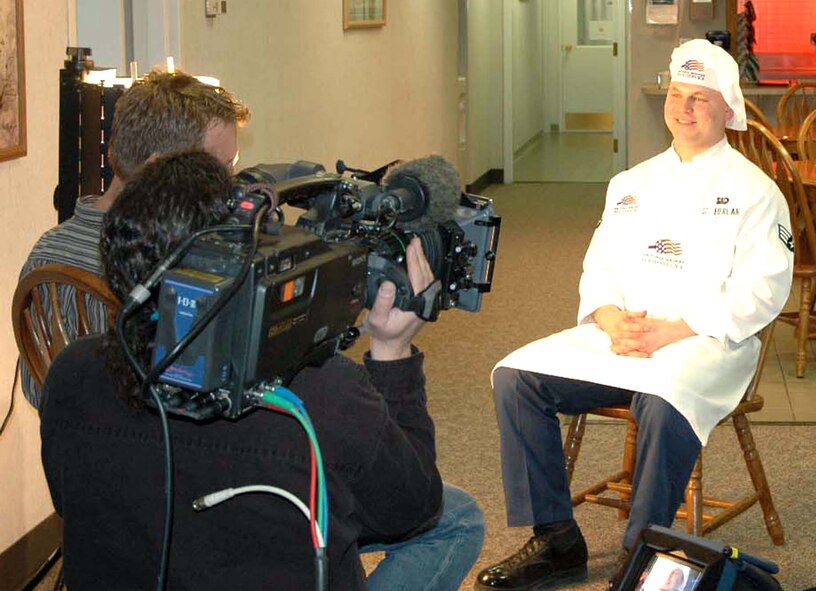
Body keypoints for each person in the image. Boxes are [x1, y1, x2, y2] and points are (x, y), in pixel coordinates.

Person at [40, 151, 485, 590]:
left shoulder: (71, 372)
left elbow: (70, 501)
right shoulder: (328, 394)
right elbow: (414, 507)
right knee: (458, 517)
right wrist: (393, 350)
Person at [474, 39, 794, 590]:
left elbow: (764, 291)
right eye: (677, 94)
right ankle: (556, 538)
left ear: (727, 110)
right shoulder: (630, 185)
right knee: (515, 377)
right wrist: (607, 317)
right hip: (621, 336)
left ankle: (640, 552)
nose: (685, 107)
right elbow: (598, 267)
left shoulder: (755, 192)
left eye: (700, 98)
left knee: (664, 399)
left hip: (704, 342)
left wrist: (674, 330)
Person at [19, 69, 249, 409]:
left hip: (76, 447)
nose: (231, 183)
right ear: (157, 171)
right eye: (220, 167)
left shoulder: (45, 254)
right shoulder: (175, 267)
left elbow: (37, 390)